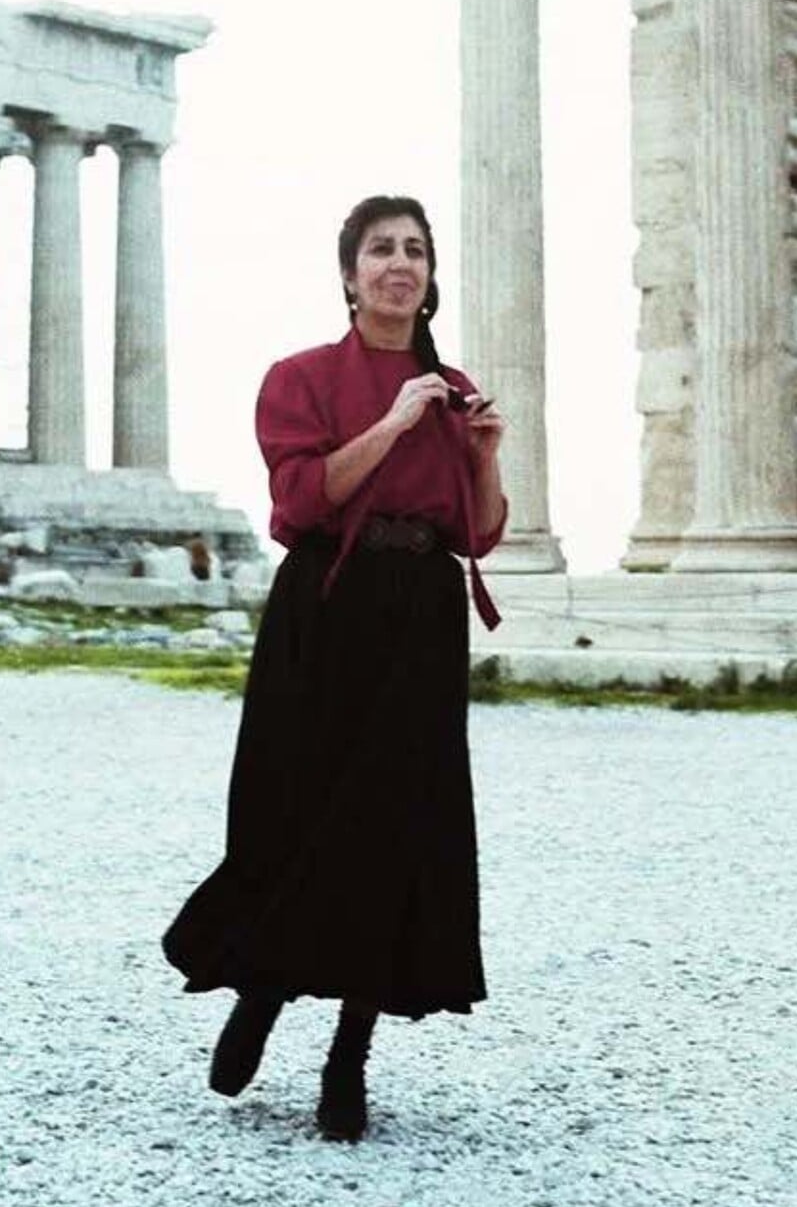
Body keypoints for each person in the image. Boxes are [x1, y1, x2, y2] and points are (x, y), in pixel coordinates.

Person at [162, 195, 507, 1142]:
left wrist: (484, 456)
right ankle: (261, 992)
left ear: (430, 278)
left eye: (416, 250)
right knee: (291, 812)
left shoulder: (455, 389)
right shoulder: (300, 377)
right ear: (350, 276)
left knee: (396, 830)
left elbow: (479, 531)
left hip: (420, 617)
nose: (400, 263)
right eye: (381, 249)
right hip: (324, 607)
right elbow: (302, 499)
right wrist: (394, 422)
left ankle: (349, 1055)